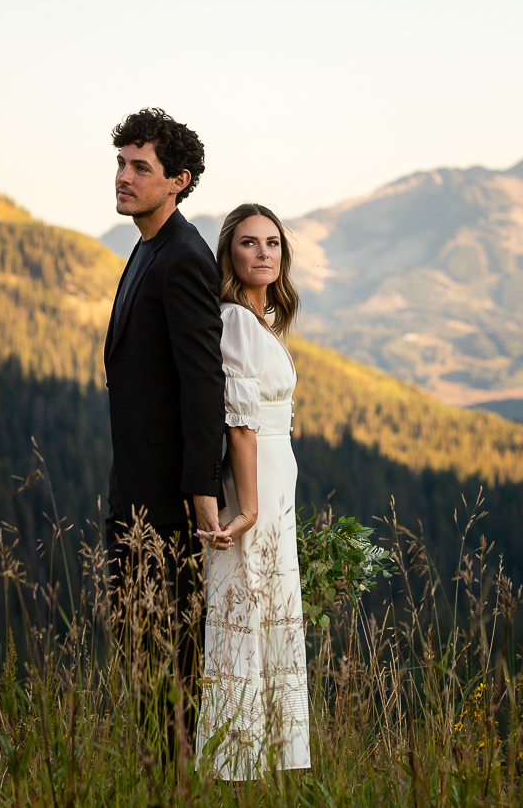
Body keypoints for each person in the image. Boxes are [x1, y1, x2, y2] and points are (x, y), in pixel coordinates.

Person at [103, 108, 224, 749]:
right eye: (121, 163)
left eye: (139, 167)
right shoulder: (147, 247)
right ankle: (160, 779)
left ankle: (176, 783)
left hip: (168, 505)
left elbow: (205, 384)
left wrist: (200, 492)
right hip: (134, 492)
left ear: (177, 180)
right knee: (143, 665)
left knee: (170, 668)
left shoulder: (183, 259)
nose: (123, 176)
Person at [195, 203, 310, 779]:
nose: (263, 252)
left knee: (266, 601)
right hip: (254, 474)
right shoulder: (236, 319)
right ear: (229, 254)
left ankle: (260, 753)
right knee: (246, 596)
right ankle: (235, 760)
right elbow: (239, 420)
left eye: (272, 242)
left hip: (275, 470)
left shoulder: (261, 321)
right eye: (249, 243)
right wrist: (250, 504)